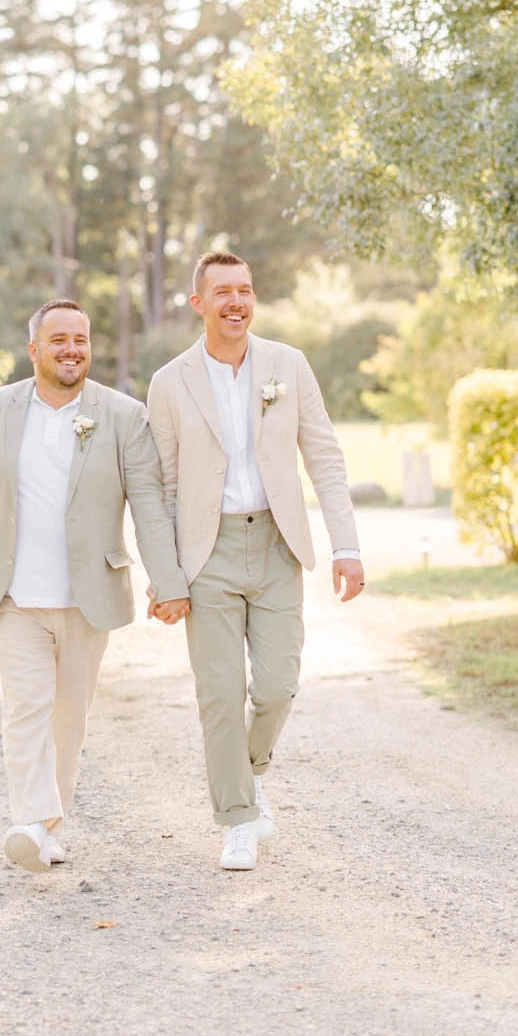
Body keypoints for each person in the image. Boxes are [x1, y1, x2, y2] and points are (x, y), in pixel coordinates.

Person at [0, 298, 189, 873]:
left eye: (81, 340)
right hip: (11, 596)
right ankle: (26, 821)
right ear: (34, 350)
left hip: (86, 598)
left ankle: (48, 826)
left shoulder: (123, 415)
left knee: (67, 721)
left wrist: (168, 581)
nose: (72, 350)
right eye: (59, 340)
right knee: (27, 706)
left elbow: (148, 504)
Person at [146, 251, 365, 871]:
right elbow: (159, 487)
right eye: (222, 293)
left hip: (276, 545)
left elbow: (324, 455)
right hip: (205, 553)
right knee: (219, 693)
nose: (236, 302)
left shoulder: (287, 366)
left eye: (244, 290)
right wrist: (165, 576)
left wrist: (346, 546)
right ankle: (237, 820)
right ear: (199, 304)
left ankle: (247, 772)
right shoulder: (170, 382)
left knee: (275, 688)